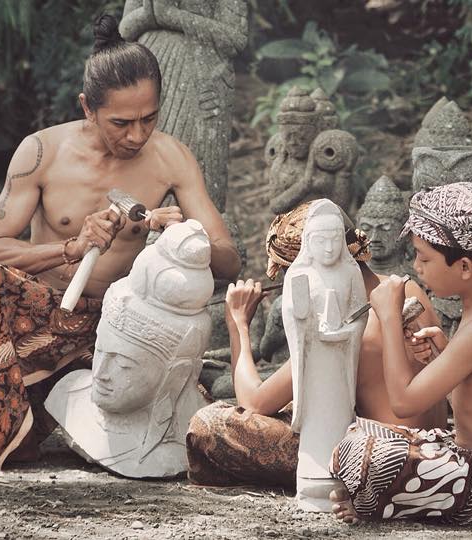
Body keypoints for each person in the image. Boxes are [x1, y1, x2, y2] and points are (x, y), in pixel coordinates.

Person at [0, 14, 240, 474]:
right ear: (87, 108)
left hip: (118, 327)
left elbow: (229, 260)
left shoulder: (172, 157)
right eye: (121, 122)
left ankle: (43, 413)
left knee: (196, 434)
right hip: (44, 316)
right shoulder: (41, 151)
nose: (137, 135)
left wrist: (180, 235)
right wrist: (70, 246)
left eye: (149, 118)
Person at [186, 201, 447, 488]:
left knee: (210, 424)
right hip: (431, 444)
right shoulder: (405, 287)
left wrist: (238, 325)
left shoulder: (352, 316)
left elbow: (254, 401)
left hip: (382, 458)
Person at [329, 182, 472, 526]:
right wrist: (442, 357)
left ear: (464, 267)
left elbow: (402, 402)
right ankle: (378, 494)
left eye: (425, 258)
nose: (417, 267)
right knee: (376, 439)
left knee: (361, 449)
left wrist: (387, 317)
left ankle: (377, 501)